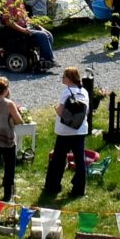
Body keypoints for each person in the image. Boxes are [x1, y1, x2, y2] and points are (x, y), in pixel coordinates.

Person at [42, 66, 91, 199]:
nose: (62, 79)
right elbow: (86, 111)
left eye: (63, 76)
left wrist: (55, 108)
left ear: (69, 78)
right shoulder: (84, 92)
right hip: (80, 130)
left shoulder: (66, 92)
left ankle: (53, 185)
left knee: (58, 158)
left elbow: (61, 111)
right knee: (80, 159)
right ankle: (79, 188)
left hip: (65, 131)